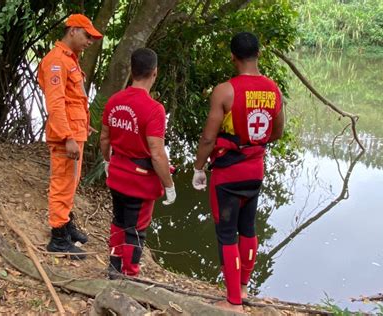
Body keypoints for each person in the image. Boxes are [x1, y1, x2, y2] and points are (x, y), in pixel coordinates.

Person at [192, 32, 284, 313]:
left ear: (233, 56)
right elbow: (277, 132)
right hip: (255, 170)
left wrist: (198, 168)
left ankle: (233, 302)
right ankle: (244, 286)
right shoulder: (273, 89)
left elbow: (208, 138)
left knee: (227, 234)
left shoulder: (225, 90)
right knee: (248, 228)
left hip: (228, 174)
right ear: (259, 54)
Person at [100, 48, 176, 277]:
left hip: (118, 174)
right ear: (155, 72)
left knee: (119, 222)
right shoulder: (154, 109)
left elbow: (104, 138)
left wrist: (107, 161)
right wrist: (169, 185)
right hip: (139, 181)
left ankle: (114, 265)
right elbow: (157, 153)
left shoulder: (114, 100)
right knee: (136, 230)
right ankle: (130, 272)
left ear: (132, 71)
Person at [37, 14, 103, 260]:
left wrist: (83, 127)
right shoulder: (56, 61)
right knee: (62, 184)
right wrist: (68, 136)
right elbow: (55, 104)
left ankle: (66, 224)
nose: (90, 41)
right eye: (87, 36)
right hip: (67, 136)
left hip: (75, 132)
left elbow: (74, 100)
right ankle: (58, 239)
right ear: (73, 30)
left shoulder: (70, 60)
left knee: (70, 183)